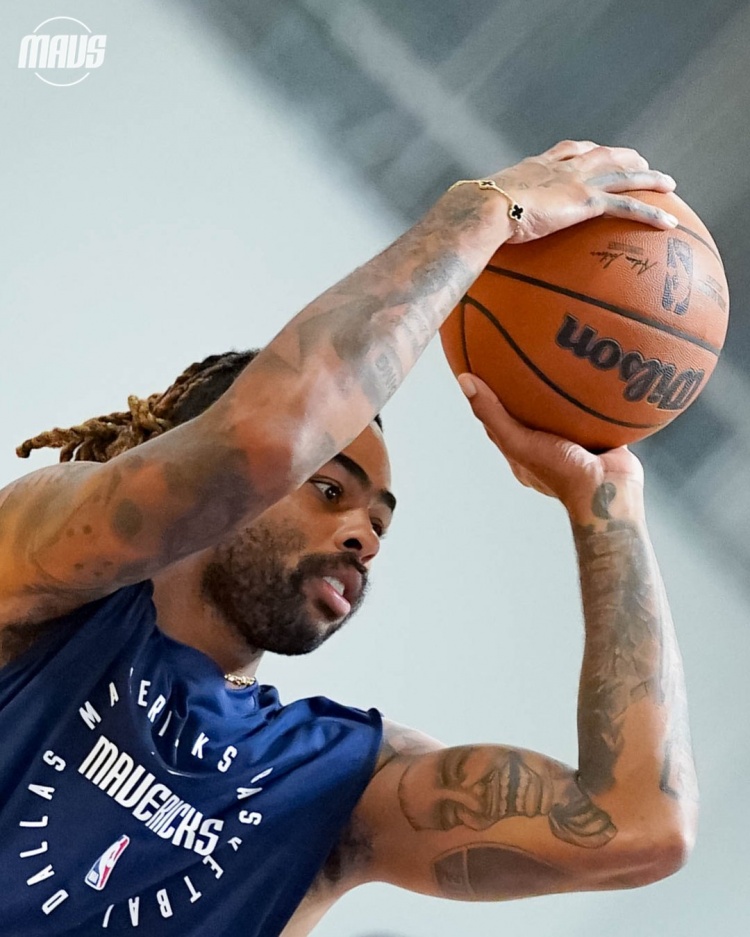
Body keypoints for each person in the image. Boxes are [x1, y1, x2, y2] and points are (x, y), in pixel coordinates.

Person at [0, 140, 697, 936]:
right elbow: (264, 441)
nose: (363, 536)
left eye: (379, 522)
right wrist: (483, 211)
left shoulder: (328, 782)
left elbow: (640, 826)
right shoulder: (43, 568)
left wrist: (609, 507)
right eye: (330, 489)